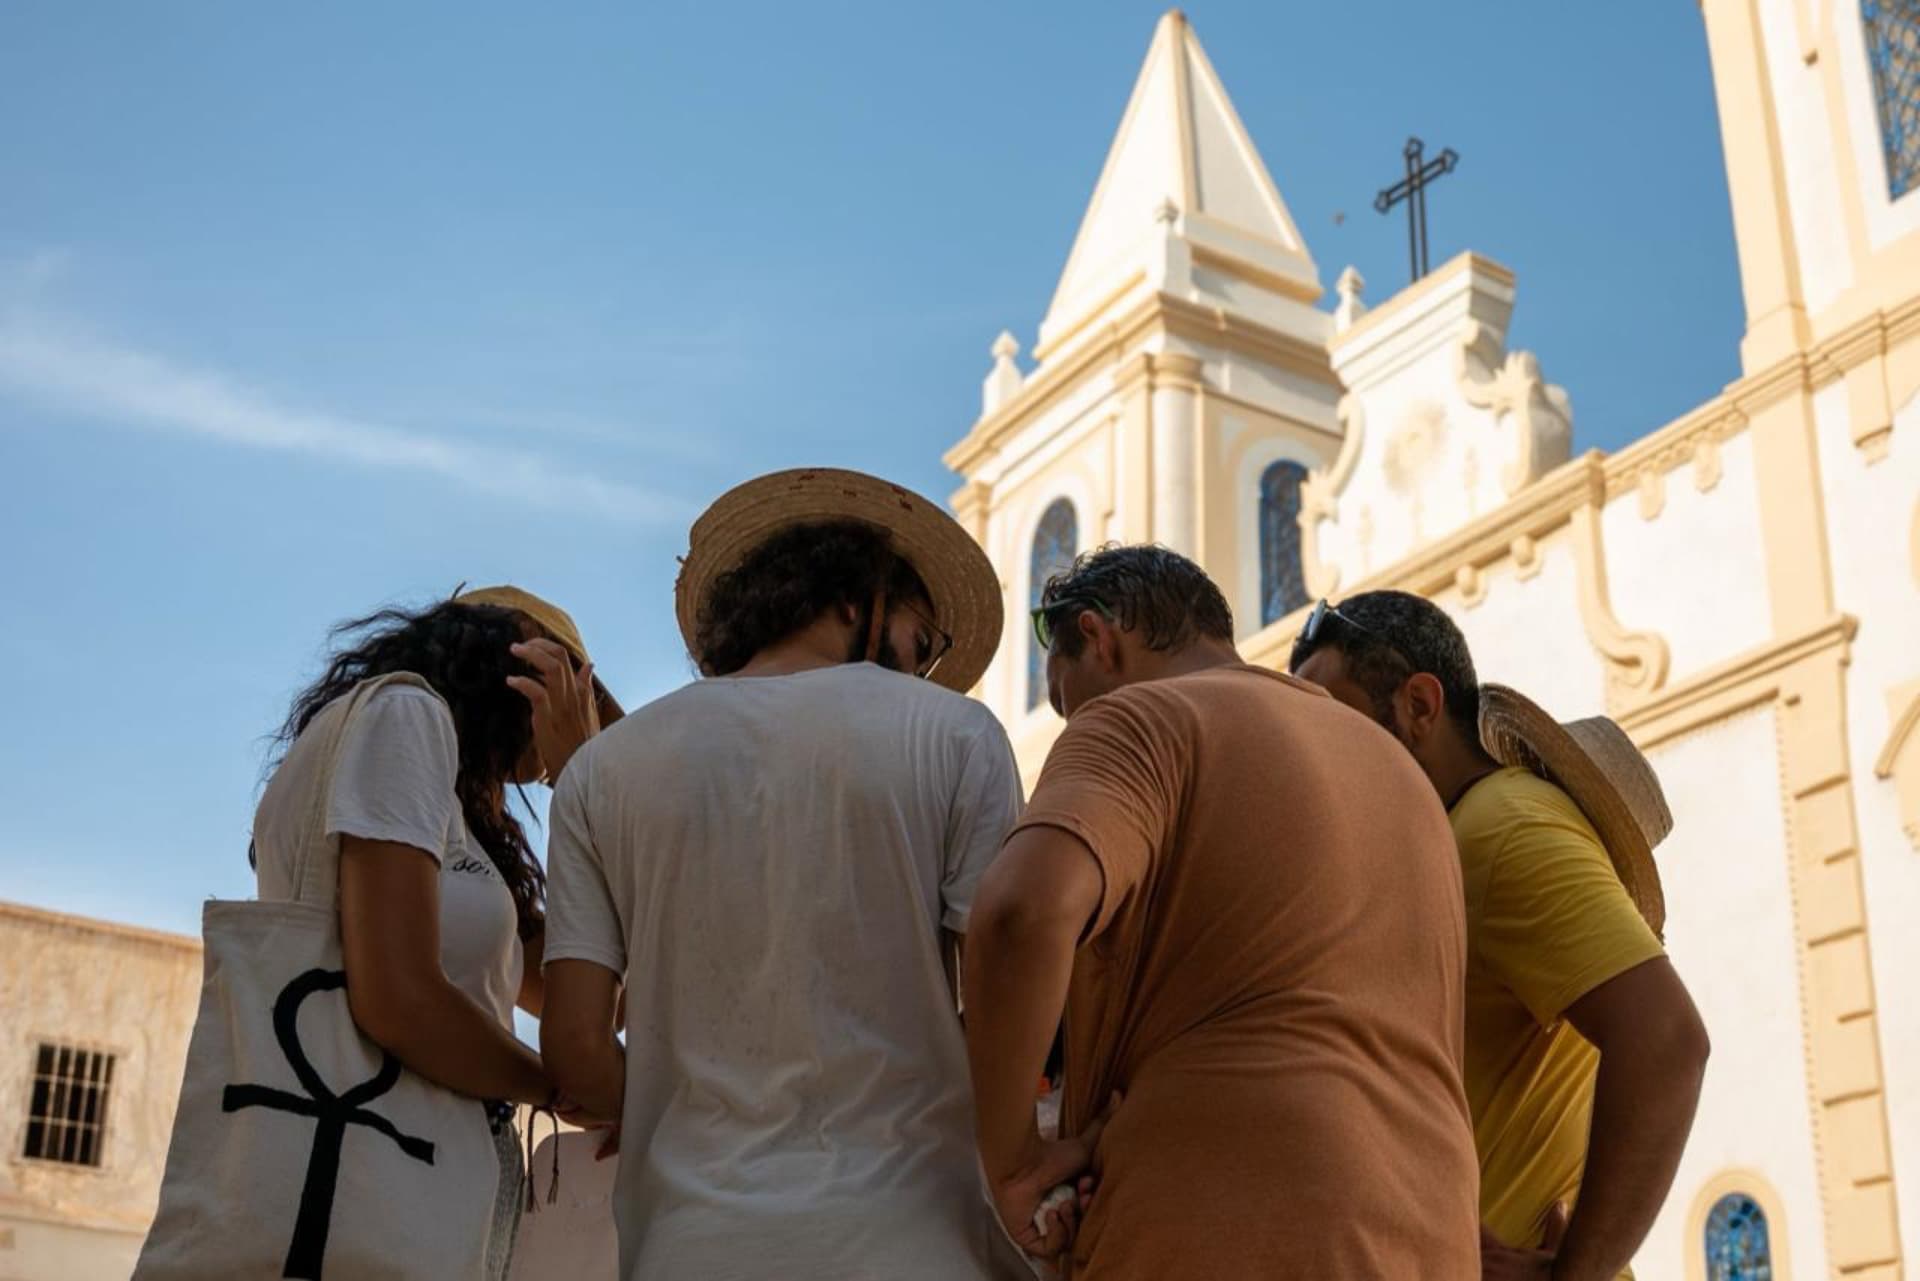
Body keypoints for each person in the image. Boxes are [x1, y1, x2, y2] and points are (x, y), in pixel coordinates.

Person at [539, 468, 1029, 1280]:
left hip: (689, 1247)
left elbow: (576, 1048)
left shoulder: (602, 772)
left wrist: (685, 1102)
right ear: (851, 598)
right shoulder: (959, 736)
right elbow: (1007, 1008)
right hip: (911, 1240)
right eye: (925, 637)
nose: (926, 663)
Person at [963, 544, 1480, 1279]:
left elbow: (1019, 912)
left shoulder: (1139, 719)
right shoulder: (1401, 770)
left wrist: (1011, 1163)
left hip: (1221, 1225)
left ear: (1101, 639)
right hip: (1428, 1235)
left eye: (1067, 697)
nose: (1074, 718)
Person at [1289, 591, 1710, 1281]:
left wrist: (1576, 1272)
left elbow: (1667, 1041)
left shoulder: (1500, 827)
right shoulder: (1456, 840)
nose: (1317, 758)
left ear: (1420, 706)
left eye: (1335, 725)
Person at [250, 584, 614, 1279]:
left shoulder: (456, 825)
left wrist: (586, 781)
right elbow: (398, 995)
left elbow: (595, 984)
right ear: (523, 670)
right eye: (574, 690)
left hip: (423, 1187)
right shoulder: (405, 717)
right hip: (369, 1183)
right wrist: (556, 1085)